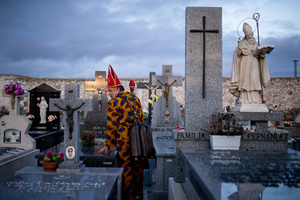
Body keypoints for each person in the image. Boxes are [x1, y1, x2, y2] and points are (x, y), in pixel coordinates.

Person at [99, 65, 144, 200]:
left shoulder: (114, 103)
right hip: (137, 137)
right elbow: (141, 117)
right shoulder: (135, 98)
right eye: (108, 91)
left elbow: (111, 125)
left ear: (118, 89)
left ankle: (128, 195)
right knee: (137, 164)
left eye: (111, 91)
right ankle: (137, 193)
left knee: (125, 166)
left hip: (123, 139)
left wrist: (108, 145)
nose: (109, 94)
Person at [230, 22, 270, 104]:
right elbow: (237, 54)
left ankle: (255, 98)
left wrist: (262, 53)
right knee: (245, 80)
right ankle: (244, 98)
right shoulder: (243, 43)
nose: (250, 36)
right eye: (248, 35)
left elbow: (260, 57)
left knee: (254, 80)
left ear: (252, 33)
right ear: (245, 35)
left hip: (254, 63)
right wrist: (239, 47)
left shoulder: (255, 43)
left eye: (251, 34)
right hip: (245, 64)